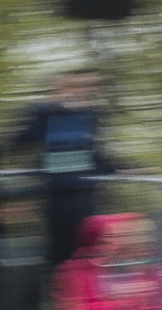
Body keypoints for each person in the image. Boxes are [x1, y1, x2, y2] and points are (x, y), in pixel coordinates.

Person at [13, 69, 118, 270]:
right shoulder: (44, 113)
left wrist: (122, 168)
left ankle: (85, 296)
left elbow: (94, 153)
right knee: (60, 256)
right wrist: (44, 111)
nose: (83, 91)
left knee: (88, 251)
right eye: (76, 86)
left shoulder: (91, 115)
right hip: (56, 196)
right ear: (59, 88)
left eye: (90, 87)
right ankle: (61, 295)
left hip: (85, 194)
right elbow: (21, 141)